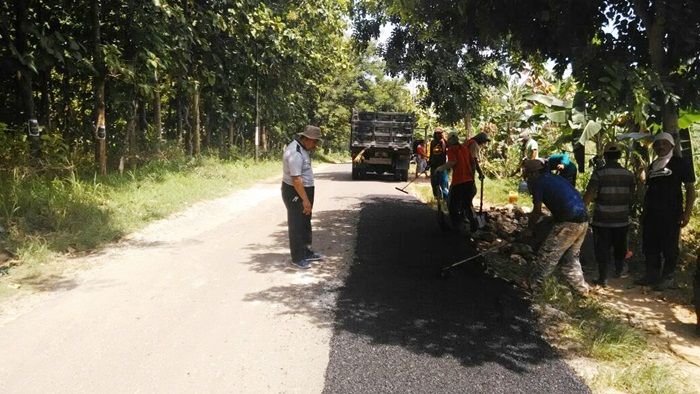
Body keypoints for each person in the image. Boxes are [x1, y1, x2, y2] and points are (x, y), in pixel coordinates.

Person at [635, 132, 696, 290]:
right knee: (650, 244)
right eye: (657, 144)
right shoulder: (653, 165)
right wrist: (644, 212)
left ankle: (667, 277)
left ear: (672, 145)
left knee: (669, 246)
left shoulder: (680, 164)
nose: (661, 146)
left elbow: (690, 189)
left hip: (671, 213)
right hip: (651, 214)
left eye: (664, 143)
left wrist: (687, 212)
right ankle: (652, 275)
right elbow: (649, 190)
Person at [522, 159, 590, 295]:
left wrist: (529, 229)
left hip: (569, 222)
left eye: (528, 175)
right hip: (583, 220)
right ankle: (581, 290)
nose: (527, 178)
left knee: (547, 255)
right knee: (571, 258)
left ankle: (534, 287)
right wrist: (553, 218)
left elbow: (536, 211)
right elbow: (565, 198)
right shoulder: (555, 178)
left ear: (534, 173)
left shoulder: (537, 183)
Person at [583, 142, 636, 287]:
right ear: (619, 156)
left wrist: (582, 209)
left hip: (602, 220)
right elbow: (631, 197)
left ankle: (603, 278)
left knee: (603, 248)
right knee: (620, 247)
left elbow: (590, 194)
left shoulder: (599, 173)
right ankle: (619, 270)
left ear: (605, 156)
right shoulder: (629, 175)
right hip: (622, 219)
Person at [281, 125, 324, 269]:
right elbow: (296, 180)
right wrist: (305, 200)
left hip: (304, 191)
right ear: (306, 138)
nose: (316, 145)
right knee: (297, 224)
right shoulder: (295, 153)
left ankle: (306, 251)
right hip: (295, 192)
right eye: (314, 141)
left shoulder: (303, 149)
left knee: (305, 222)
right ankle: (297, 257)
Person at [436, 132, 478, 232]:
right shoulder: (465, 149)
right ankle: (473, 223)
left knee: (452, 204)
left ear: (450, 140)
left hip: (459, 182)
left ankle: (456, 226)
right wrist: (472, 176)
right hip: (469, 181)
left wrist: (440, 168)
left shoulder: (452, 149)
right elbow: (473, 163)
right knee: (467, 204)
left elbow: (452, 162)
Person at [428, 128, 449, 200]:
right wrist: (429, 163)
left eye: (439, 133)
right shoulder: (433, 142)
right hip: (434, 165)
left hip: (442, 165)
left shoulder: (445, 142)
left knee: (444, 183)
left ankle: (446, 199)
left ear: (442, 134)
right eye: (436, 133)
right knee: (434, 182)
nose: (438, 135)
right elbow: (431, 154)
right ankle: (436, 197)